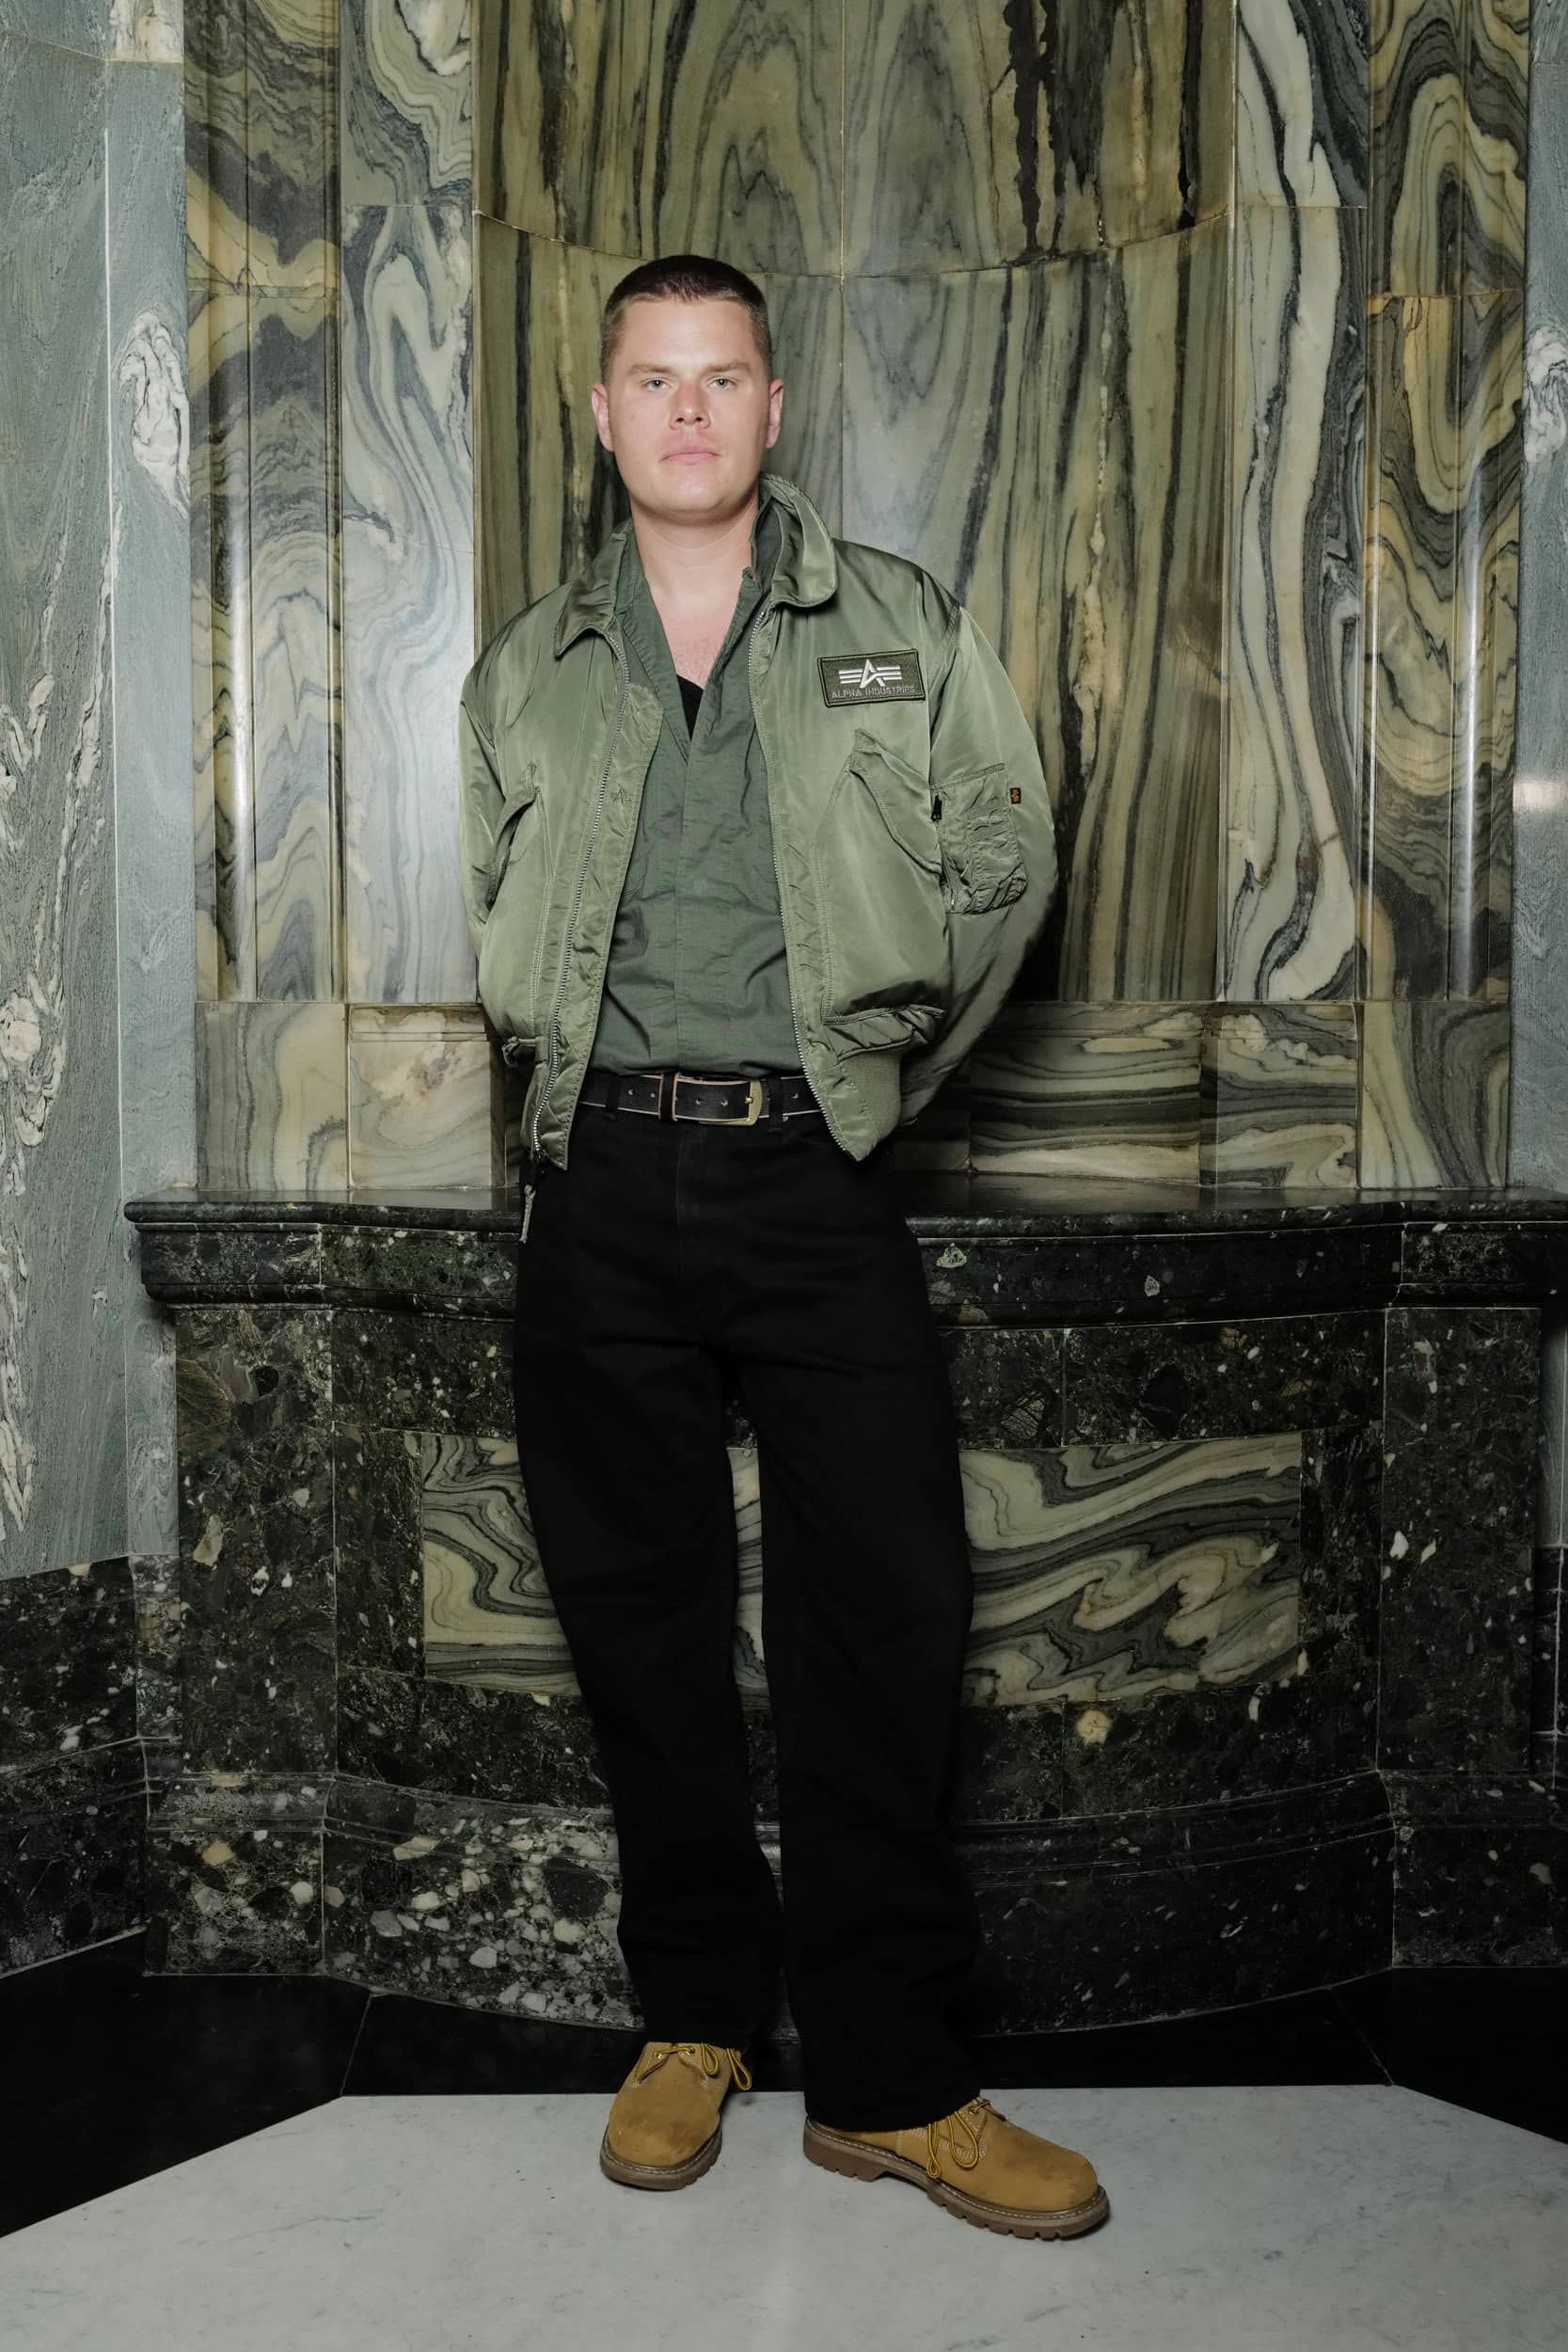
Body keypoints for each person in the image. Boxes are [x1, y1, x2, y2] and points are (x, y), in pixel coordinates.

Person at [457, 251, 1108, 2241]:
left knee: (889, 1608)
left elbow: (1008, 859)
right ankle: (694, 2021)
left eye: (720, 376)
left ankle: (893, 2077)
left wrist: (877, 1086)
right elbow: (497, 895)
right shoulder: (530, 664)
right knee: (635, 1614)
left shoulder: (896, 624)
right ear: (601, 413)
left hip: (816, 1171)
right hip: (600, 1182)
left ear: (771, 401)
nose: (687, 411)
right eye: (652, 379)